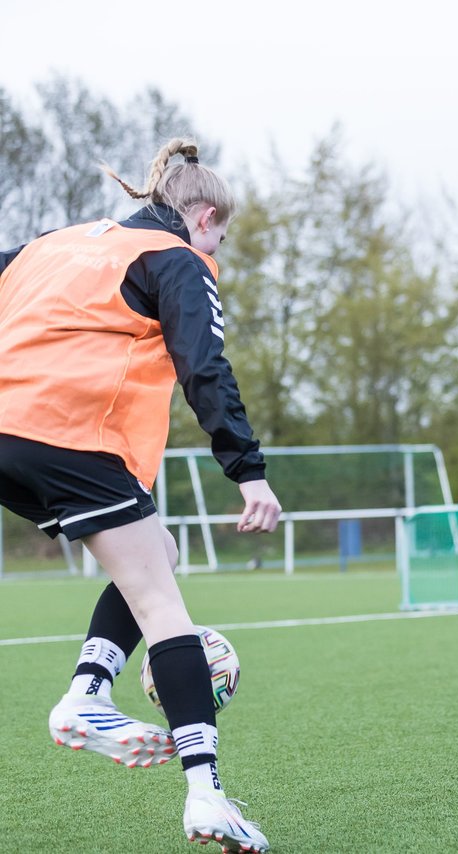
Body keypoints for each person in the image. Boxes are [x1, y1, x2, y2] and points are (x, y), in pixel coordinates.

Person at [0, 138, 278, 852]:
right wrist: (247, 470)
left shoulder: (51, 245)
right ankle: (206, 797)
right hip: (72, 436)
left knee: (159, 548)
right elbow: (204, 366)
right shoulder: (181, 257)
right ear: (205, 216)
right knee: (162, 605)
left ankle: (89, 693)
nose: (219, 248)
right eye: (222, 234)